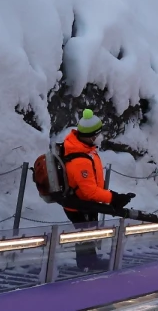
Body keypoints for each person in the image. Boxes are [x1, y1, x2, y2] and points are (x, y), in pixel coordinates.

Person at [60, 109, 135, 271]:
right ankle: (87, 264)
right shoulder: (80, 159)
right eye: (98, 134)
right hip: (80, 204)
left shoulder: (84, 150)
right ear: (91, 135)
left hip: (85, 202)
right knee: (85, 234)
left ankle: (89, 261)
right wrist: (115, 198)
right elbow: (89, 191)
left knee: (88, 233)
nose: (100, 137)